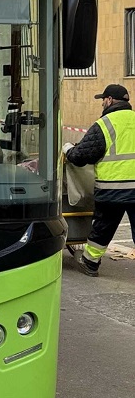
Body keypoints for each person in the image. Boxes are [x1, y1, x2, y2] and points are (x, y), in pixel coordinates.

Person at [63, 83, 135, 276]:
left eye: (103, 99)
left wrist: (68, 149)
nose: (102, 103)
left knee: (104, 226)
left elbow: (81, 157)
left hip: (113, 188)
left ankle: (91, 262)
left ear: (110, 100)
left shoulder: (105, 124)